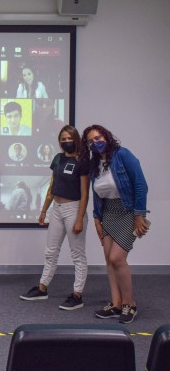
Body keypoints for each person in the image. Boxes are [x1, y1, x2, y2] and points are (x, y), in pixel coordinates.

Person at [81, 125, 149, 324]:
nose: (96, 142)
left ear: (106, 136)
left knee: (117, 258)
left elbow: (140, 184)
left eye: (98, 137)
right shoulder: (95, 165)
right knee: (109, 261)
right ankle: (116, 303)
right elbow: (96, 193)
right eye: (91, 141)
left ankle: (130, 304)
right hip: (108, 213)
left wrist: (139, 215)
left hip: (127, 211)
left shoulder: (123, 155)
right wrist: (96, 218)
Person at [20, 125, 89, 310]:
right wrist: (44, 210)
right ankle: (42, 288)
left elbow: (84, 192)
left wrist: (80, 218)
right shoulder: (58, 158)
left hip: (73, 209)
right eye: (63, 139)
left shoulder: (82, 161)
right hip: (56, 209)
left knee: (77, 255)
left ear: (76, 140)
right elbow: (52, 186)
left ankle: (77, 295)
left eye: (69, 138)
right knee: (50, 252)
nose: (66, 142)